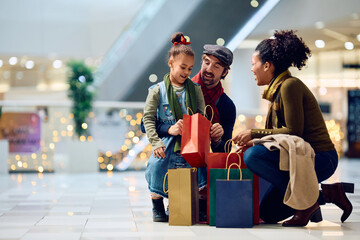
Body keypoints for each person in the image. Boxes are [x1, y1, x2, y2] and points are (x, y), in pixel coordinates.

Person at [232, 30, 354, 227]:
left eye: (253, 64)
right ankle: (328, 196)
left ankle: (307, 205)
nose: (252, 69)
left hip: (320, 158)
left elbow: (293, 131)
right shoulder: (277, 90)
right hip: (299, 156)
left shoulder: (289, 86)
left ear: (267, 65)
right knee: (269, 213)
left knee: (253, 156)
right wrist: (256, 141)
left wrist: (253, 134)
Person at [141, 44, 236, 222]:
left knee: (199, 171)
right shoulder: (178, 86)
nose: (209, 69)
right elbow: (145, 123)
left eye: (216, 66)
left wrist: (217, 138)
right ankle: (161, 205)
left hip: (196, 150)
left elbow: (225, 148)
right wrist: (169, 129)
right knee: (158, 167)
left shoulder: (226, 106)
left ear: (224, 72)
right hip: (170, 144)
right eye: (207, 62)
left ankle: (199, 202)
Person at [143, 32, 207, 222]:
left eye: (190, 68)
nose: (186, 72)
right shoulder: (156, 90)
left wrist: (192, 127)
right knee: (156, 167)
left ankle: (195, 205)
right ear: (171, 63)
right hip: (166, 142)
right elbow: (148, 119)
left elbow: (201, 116)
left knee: (199, 171)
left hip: (190, 142)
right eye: (182, 67)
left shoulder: (195, 90)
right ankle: (157, 206)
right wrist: (156, 143)